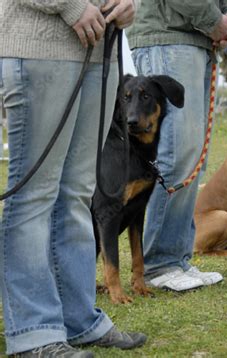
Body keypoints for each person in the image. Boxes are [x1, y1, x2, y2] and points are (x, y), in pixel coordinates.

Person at [0, 0, 148, 357]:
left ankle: (78, 320)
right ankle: (34, 331)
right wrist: (69, 6)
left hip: (101, 55)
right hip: (41, 50)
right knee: (34, 197)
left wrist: (131, 5)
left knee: (78, 195)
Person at [126, 1, 227, 292]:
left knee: (192, 156)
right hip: (168, 35)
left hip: (196, 38)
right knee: (175, 154)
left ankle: (176, 258)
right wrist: (213, 19)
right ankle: (158, 263)